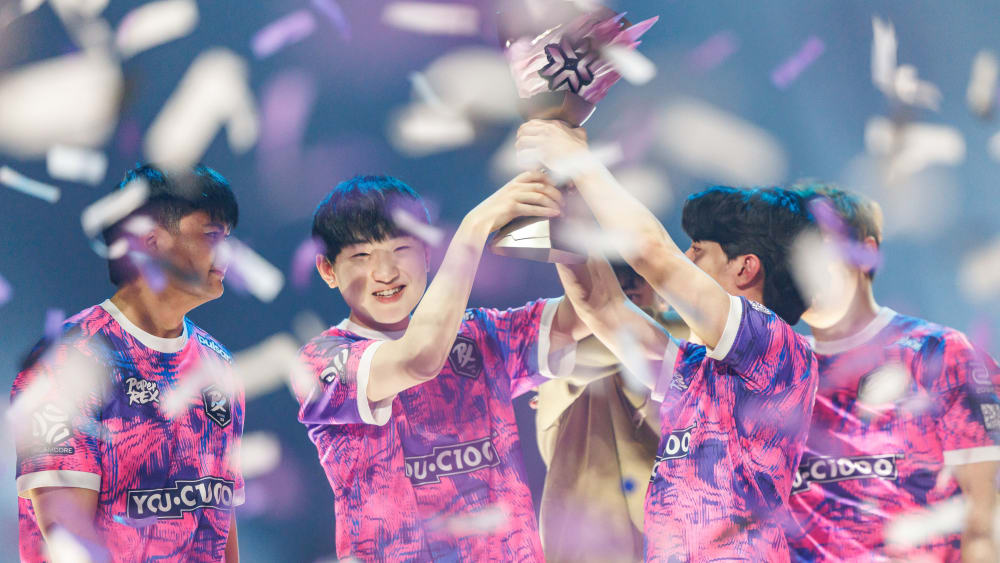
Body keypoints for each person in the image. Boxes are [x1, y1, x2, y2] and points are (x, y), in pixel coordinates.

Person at [517, 119, 819, 561]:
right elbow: (603, 305)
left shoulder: (775, 348)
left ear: (745, 268)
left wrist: (581, 162)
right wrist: (565, 202)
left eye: (698, 251)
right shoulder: (696, 371)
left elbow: (653, 254)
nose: (685, 258)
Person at [292, 173, 589, 560]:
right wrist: (475, 226)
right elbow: (419, 359)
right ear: (328, 270)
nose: (386, 272)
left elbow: (591, 310)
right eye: (362, 256)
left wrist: (573, 225)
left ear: (428, 255)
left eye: (402, 249)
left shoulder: (481, 333)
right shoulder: (322, 361)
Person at [11, 164, 244, 562]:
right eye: (212, 235)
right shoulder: (69, 360)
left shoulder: (218, 367)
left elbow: (220, 525)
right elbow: (67, 539)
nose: (228, 252)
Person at [786, 184, 1000, 562]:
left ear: (866, 252)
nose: (807, 270)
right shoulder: (773, 371)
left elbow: (985, 520)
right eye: (791, 256)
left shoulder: (943, 352)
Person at [533, 263, 688, 562]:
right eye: (613, 272)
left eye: (636, 273)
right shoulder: (555, 365)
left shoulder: (690, 360)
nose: (624, 283)